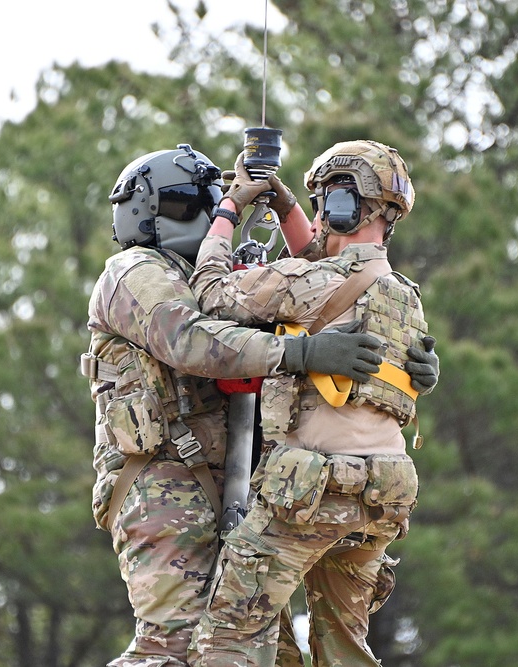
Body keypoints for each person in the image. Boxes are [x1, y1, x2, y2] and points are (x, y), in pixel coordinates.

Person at [82, 144, 397, 667]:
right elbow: (190, 341)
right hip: (161, 482)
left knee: (260, 649)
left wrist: (398, 361)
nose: (205, 211)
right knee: (175, 645)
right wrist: (298, 353)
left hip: (242, 481)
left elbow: (332, 282)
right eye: (192, 203)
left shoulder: (217, 275)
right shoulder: (134, 272)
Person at [186, 140, 438, 667]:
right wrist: (285, 207)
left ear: (348, 206)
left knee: (226, 636)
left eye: (325, 203)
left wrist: (229, 209)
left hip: (313, 489)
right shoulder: (405, 295)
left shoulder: (314, 281)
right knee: (346, 649)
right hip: (383, 491)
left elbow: (209, 290)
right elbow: (316, 267)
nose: (320, 216)